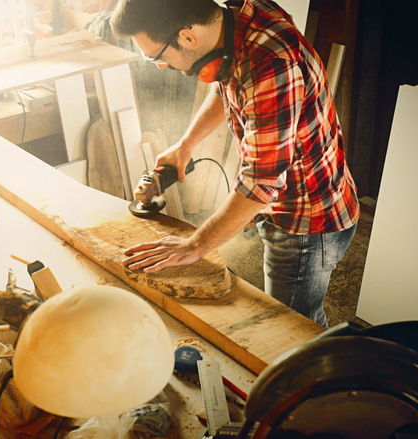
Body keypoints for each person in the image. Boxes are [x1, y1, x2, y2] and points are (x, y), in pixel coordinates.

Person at [112, 0, 359, 328]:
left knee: (294, 332)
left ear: (187, 38)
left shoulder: (271, 64)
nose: (158, 66)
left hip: (307, 221)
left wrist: (195, 245)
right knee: (296, 327)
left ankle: (328, 376)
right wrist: (186, 144)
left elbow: (260, 184)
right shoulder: (240, 19)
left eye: (155, 56)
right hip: (290, 198)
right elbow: (227, 83)